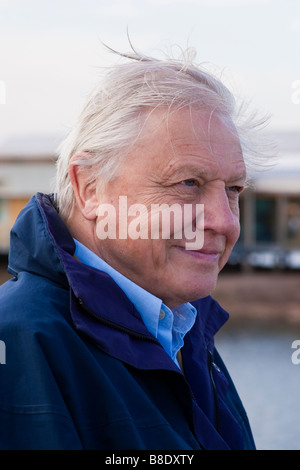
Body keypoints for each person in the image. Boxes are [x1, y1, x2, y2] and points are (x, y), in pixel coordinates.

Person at [0, 45, 261, 450]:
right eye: (188, 183)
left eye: (233, 189)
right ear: (90, 188)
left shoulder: (183, 331)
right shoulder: (20, 346)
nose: (224, 221)